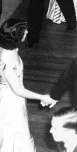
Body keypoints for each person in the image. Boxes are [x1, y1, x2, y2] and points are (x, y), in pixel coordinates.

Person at [0, 19, 54, 151]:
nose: (27, 32)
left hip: (9, 97)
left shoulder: (6, 50)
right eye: (24, 31)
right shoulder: (7, 61)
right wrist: (41, 97)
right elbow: (18, 90)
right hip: (11, 102)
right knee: (15, 133)